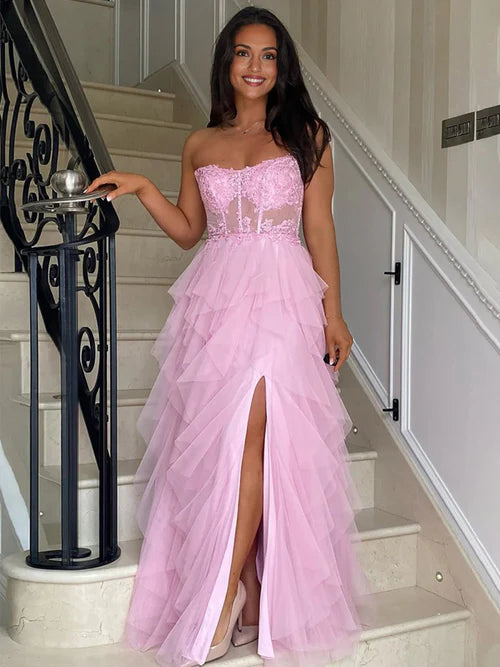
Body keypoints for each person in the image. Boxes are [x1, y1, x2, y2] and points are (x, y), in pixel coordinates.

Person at [84, 6, 371, 667]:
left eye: (268, 55)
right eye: (244, 53)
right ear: (226, 62)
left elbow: (319, 229)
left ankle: (219, 600)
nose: (255, 66)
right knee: (227, 447)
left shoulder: (307, 135)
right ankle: (248, 592)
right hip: (216, 303)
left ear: (282, 67)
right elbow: (191, 231)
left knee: (251, 434)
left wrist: (333, 312)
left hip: (284, 299)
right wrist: (143, 188)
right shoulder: (199, 143)